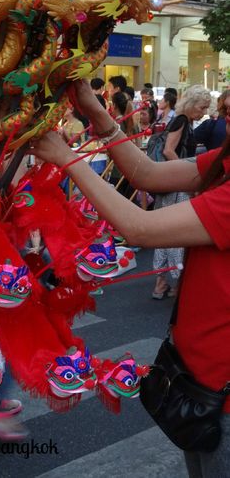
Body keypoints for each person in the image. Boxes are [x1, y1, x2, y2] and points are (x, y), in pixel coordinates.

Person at [31, 79, 230, 478]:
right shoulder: (225, 162)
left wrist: (67, 158)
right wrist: (95, 109)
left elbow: (139, 228)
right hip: (197, 374)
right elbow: (149, 174)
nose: (225, 119)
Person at [151, 85, 211, 299]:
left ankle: (161, 284)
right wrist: (185, 174)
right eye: (202, 107)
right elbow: (169, 150)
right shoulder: (182, 120)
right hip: (176, 185)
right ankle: (175, 283)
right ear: (193, 104)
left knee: (165, 232)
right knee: (177, 232)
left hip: (169, 184)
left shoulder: (180, 119)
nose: (203, 112)